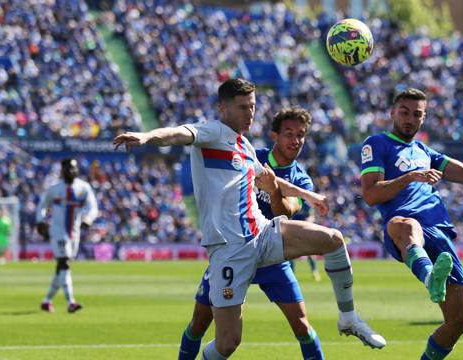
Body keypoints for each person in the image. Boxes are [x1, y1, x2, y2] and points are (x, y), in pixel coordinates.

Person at [113, 78, 385, 360]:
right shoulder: (211, 132)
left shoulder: (246, 147)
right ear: (222, 108)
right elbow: (178, 133)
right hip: (230, 249)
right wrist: (147, 137)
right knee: (228, 343)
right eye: (243, 107)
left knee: (333, 239)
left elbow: (271, 179)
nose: (250, 113)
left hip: (263, 234)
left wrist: (311, 197)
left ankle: (349, 318)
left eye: (253, 106)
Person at [179, 107, 325, 360]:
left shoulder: (302, 180)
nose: (296, 140)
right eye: (289, 133)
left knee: (302, 325)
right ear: (274, 136)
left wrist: (273, 189)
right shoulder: (251, 155)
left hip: (272, 255)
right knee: (198, 324)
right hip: (234, 250)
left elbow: (285, 213)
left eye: (301, 134)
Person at [360, 88, 463, 360]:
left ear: (423, 118)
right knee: (407, 227)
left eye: (417, 114)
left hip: (439, 230)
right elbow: (370, 194)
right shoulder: (377, 143)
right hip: (401, 224)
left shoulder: (426, 152)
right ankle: (430, 277)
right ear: (392, 112)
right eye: (404, 112)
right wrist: (409, 177)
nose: (409, 119)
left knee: (459, 322)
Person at [36, 158, 98, 313]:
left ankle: (47, 300)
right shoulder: (54, 189)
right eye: (69, 169)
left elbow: (93, 206)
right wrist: (40, 221)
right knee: (64, 263)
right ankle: (71, 302)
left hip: (74, 232)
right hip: (57, 231)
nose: (72, 171)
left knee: (62, 267)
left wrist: (88, 219)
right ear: (63, 171)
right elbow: (42, 205)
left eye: (74, 168)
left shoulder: (83, 188)